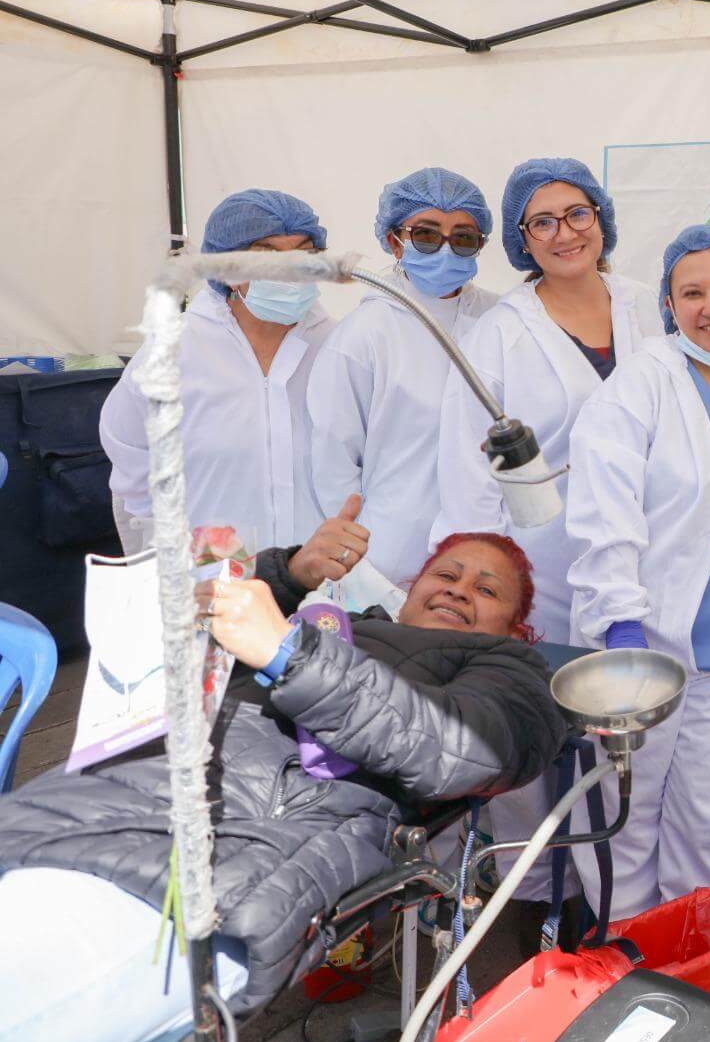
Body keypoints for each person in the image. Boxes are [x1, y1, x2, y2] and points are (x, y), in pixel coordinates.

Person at [0, 519, 569, 1042]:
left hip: (224, 848)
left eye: (487, 590)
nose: (459, 590)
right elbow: (191, 631)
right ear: (412, 588)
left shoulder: (512, 673)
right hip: (99, 791)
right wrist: (288, 574)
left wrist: (290, 655)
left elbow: (454, 747)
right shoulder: (339, 623)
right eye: (445, 574)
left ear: (516, 629)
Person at [431, 156, 660, 905]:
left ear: (602, 219)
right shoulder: (500, 332)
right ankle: (535, 897)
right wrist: (485, 577)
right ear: (522, 239)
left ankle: (624, 891)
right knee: (534, 725)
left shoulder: (645, 305)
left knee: (631, 730)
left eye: (577, 214)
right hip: (542, 560)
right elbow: (467, 464)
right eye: (542, 222)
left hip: (645, 544)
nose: (564, 233)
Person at [562, 224, 710, 920]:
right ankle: (624, 945)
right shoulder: (639, 386)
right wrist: (621, 623)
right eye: (692, 293)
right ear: (669, 304)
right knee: (626, 809)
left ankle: (693, 955)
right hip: (644, 641)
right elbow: (603, 514)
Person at [101, 189, 335, 554]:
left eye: (304, 254)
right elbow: (132, 459)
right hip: (213, 570)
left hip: (321, 569)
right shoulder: (174, 351)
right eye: (266, 256)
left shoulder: (338, 347)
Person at [306, 167, 499, 586]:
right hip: (388, 557)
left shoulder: (500, 320)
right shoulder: (364, 334)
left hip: (486, 552)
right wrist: (359, 557)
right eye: (426, 235)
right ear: (395, 241)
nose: (445, 249)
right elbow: (334, 460)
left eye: (463, 238)